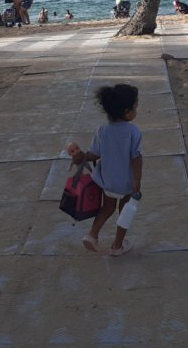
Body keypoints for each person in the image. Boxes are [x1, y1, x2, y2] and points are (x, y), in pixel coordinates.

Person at [68, 83, 143, 257]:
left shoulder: (103, 130)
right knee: (125, 211)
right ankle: (117, 245)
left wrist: (82, 156)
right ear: (127, 111)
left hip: (108, 181)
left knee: (107, 208)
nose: (136, 110)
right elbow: (136, 158)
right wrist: (137, 180)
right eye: (135, 106)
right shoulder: (133, 132)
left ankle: (92, 235)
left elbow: (94, 154)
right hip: (126, 182)